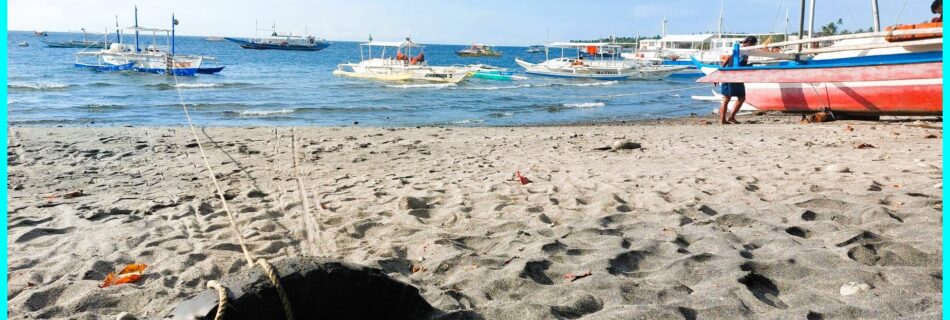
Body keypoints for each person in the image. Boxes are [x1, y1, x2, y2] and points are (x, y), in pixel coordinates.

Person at [719, 36, 757, 125]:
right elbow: (740, 63)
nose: (754, 45)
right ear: (750, 42)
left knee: (728, 98)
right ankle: (729, 118)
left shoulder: (738, 49)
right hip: (734, 75)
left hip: (728, 74)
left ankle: (725, 119)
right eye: (754, 44)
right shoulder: (745, 51)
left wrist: (721, 72)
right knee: (738, 98)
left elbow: (726, 60)